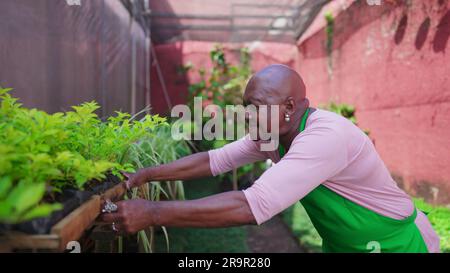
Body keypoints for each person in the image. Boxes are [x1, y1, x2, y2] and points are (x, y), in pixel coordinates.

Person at [99, 64, 440, 253]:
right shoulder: (272, 134)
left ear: (290, 107)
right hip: (344, 246)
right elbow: (213, 161)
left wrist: (153, 213)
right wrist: (146, 174)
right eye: (246, 105)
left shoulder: (324, 137)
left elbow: (251, 207)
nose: (247, 115)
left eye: (256, 107)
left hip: (397, 245)